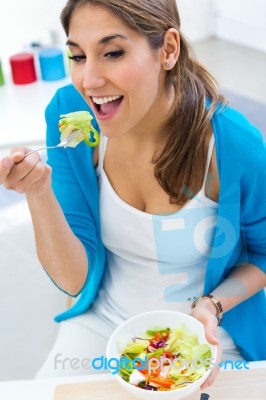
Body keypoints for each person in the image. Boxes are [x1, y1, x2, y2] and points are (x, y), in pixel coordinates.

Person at [1, 0, 266, 387]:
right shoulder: (68, 114)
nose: (88, 80)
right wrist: (40, 193)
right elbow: (75, 280)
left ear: (169, 50)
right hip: (105, 322)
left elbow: (263, 252)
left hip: (204, 330)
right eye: (77, 56)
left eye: (112, 53)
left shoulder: (233, 145)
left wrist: (212, 306)